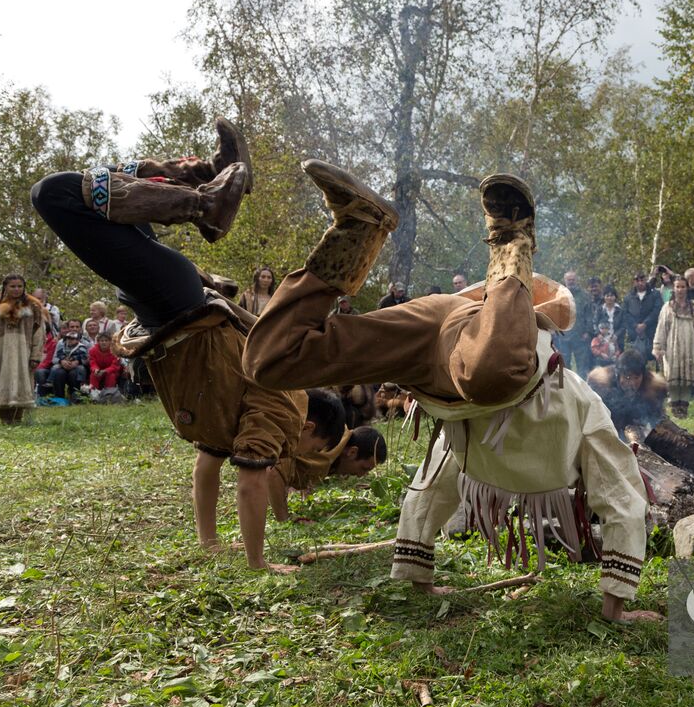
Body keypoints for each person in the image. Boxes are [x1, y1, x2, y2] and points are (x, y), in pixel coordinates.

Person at [238, 161, 657, 622]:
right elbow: (621, 496)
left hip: (452, 363)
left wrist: (616, 605)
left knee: (275, 362)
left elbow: (617, 494)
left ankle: (363, 229)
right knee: (268, 361)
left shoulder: (578, 408)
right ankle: (454, 238)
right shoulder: (569, 394)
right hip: (462, 325)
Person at [30, 117, 340, 572]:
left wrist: (211, 543)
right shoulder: (284, 401)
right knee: (54, 194)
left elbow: (208, 467)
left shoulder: (256, 400)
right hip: (174, 302)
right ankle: (205, 201)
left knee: (91, 190)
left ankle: (204, 176)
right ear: (311, 427)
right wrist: (259, 564)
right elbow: (251, 482)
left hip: (169, 302)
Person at [269, 424, 389, 522]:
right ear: (352, 452)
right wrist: (284, 520)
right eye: (364, 468)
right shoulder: (326, 450)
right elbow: (273, 471)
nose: (360, 475)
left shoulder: (334, 448)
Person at [0, 275, 47, 424]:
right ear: (5, 287)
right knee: (1, 383)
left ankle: (17, 419)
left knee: (21, 383)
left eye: (20, 286)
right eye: (13, 286)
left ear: (24, 287)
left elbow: (39, 333)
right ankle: (5, 419)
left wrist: (35, 355)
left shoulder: (32, 306)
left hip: (23, 351)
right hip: (0, 351)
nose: (16, 289)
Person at [654, 275, 694, 418]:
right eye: (677, 286)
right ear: (674, 288)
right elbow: (661, 328)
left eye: (683, 286)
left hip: (689, 347)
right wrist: (658, 347)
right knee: (673, 378)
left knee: (687, 378)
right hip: (672, 347)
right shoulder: (667, 307)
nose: (680, 289)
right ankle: (674, 408)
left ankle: (683, 408)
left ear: (687, 288)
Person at [623, 272, 662, 360]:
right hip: (634, 334)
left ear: (646, 280)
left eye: (642, 280)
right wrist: (635, 325)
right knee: (635, 361)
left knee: (651, 361)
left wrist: (645, 324)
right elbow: (625, 313)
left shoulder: (655, 294)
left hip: (651, 333)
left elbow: (657, 310)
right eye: (637, 280)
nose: (640, 283)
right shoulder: (628, 297)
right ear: (634, 282)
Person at [562, 270, 593, 376]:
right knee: (564, 365)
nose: (571, 282)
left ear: (577, 280)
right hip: (564, 336)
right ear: (565, 280)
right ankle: (567, 389)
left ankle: (582, 389)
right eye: (568, 280)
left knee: (582, 366)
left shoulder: (585, 295)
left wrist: (588, 332)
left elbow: (589, 315)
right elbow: (556, 313)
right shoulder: (560, 294)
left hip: (580, 336)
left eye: (573, 279)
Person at [48, 326, 93, 400]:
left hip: (79, 365)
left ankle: (76, 395)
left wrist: (77, 361)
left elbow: (87, 358)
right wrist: (62, 361)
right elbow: (55, 358)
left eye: (73, 339)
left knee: (77, 372)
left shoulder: (85, 344)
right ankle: (59, 397)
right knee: (57, 371)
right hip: (63, 364)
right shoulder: (62, 344)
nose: (70, 340)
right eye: (68, 338)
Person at [87, 332, 126, 403]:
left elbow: (115, 365)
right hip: (98, 370)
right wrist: (95, 369)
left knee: (111, 376)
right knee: (93, 375)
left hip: (111, 371)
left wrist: (105, 371)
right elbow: (92, 362)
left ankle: (109, 395)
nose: (104, 343)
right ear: (98, 342)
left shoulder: (115, 351)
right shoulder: (93, 350)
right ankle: (93, 394)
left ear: (110, 342)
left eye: (106, 340)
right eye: (101, 341)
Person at [595, 285, 625, 352]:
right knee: (603, 360)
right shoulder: (599, 310)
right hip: (602, 341)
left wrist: (616, 335)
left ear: (615, 297)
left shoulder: (620, 310)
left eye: (612, 295)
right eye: (607, 296)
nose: (609, 298)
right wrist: (598, 334)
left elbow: (623, 325)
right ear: (604, 297)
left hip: (617, 341)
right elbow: (595, 323)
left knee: (618, 360)